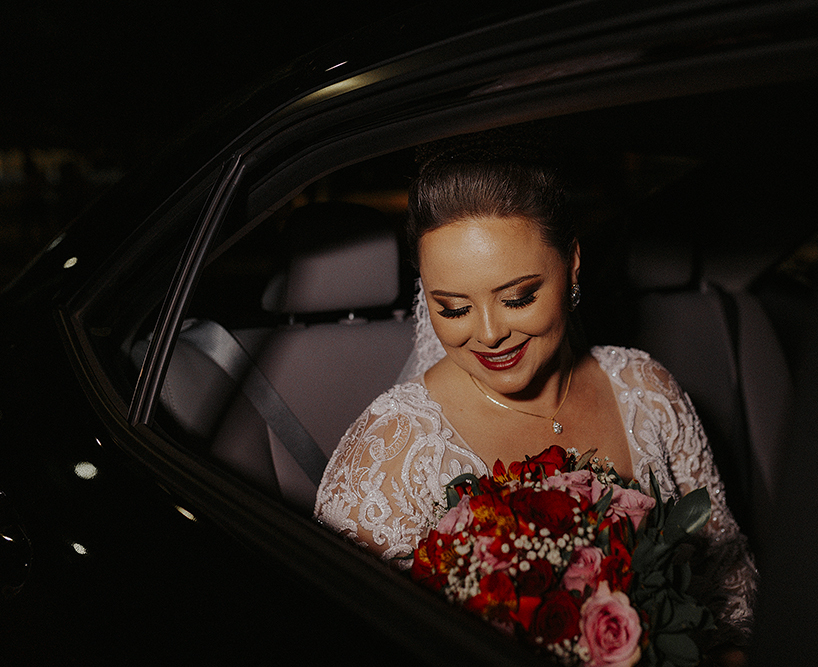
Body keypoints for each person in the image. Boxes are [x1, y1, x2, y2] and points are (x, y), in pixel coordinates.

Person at [313, 127, 757, 656]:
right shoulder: (394, 451)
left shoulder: (647, 391)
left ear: (571, 262)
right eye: (451, 308)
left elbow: (730, 592)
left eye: (519, 297)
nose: (489, 332)